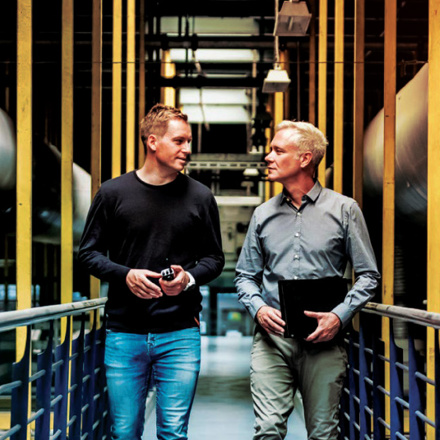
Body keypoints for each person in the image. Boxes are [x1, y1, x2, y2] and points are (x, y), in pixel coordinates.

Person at [78, 104, 224, 440]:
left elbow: (214, 259)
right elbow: (88, 254)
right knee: (124, 431)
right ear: (152, 141)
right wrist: (124, 274)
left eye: (189, 141)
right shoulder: (113, 193)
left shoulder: (200, 197)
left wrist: (187, 278)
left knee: (173, 432)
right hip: (124, 333)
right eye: (179, 141)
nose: (187, 149)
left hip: (180, 334)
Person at [234, 120, 380, 440]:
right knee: (268, 429)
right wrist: (258, 308)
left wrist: (339, 317)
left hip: (325, 342)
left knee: (323, 433)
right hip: (273, 341)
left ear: (304, 159)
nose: (268, 157)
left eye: (278, 150)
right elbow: (245, 276)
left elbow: (369, 276)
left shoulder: (344, 210)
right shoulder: (263, 215)